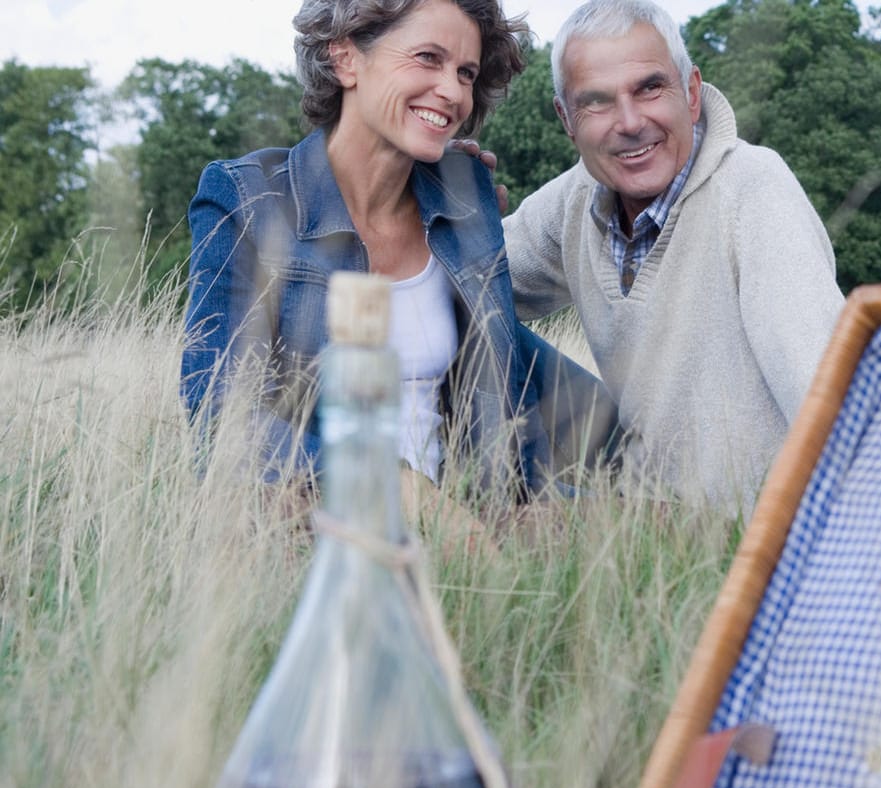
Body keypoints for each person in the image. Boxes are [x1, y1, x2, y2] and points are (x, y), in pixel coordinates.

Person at [181, 0, 616, 515]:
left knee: (673, 516)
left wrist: (625, 458)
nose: (454, 91)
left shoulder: (465, 192)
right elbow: (219, 416)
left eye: (465, 72)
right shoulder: (246, 198)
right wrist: (402, 493)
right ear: (345, 59)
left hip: (475, 521)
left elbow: (506, 376)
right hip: (323, 528)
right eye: (428, 58)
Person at [501, 0, 845, 510]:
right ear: (566, 118)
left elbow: (830, 396)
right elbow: (466, 277)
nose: (630, 122)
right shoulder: (576, 199)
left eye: (649, 88)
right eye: (596, 101)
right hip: (645, 517)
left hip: (750, 533)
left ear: (690, 90)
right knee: (463, 323)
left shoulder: (753, 191)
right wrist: (441, 193)